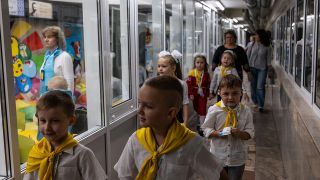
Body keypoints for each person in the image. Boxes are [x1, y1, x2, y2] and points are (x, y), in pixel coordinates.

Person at [114, 75, 227, 180]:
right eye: (139, 103)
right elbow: (125, 175)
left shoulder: (191, 143)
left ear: (171, 113)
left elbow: (218, 173)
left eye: (148, 106)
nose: (139, 111)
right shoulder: (136, 140)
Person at [24, 90, 107, 180]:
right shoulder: (37, 153)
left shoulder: (82, 155)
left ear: (71, 120)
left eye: (55, 121)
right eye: (43, 121)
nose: (47, 127)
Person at [202, 74, 254, 180]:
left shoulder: (246, 111)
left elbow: (250, 133)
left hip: (237, 158)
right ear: (219, 93)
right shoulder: (214, 110)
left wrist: (240, 133)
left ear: (241, 93)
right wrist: (219, 133)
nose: (230, 97)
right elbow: (205, 129)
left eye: (235, 93)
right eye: (226, 94)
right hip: (218, 157)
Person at [157, 50, 189, 125]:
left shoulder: (181, 84)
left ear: (173, 68)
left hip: (177, 119)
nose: (160, 69)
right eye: (159, 66)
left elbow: (185, 103)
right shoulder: (157, 83)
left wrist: (185, 122)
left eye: (164, 66)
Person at [40, 26, 74, 96]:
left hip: (59, 100)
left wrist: (67, 102)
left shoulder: (64, 56)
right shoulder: (47, 57)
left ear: (57, 39)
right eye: (45, 37)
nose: (46, 40)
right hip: (46, 98)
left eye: (49, 37)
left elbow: (69, 82)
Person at [247, 29, 272, 112]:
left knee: (260, 87)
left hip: (262, 69)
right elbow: (247, 56)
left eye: (257, 35)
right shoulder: (251, 44)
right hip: (252, 68)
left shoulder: (267, 46)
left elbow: (268, 60)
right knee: (253, 86)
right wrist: (247, 70)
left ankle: (261, 105)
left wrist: (269, 70)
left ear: (261, 36)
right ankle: (255, 101)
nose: (255, 36)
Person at [186, 53, 210, 129]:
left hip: (203, 93)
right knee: (196, 108)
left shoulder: (206, 74)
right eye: (197, 62)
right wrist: (190, 94)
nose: (199, 65)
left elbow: (208, 84)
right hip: (194, 93)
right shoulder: (192, 73)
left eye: (201, 63)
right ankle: (198, 121)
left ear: (205, 63)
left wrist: (209, 93)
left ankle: (203, 126)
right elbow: (189, 85)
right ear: (195, 63)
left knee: (202, 108)